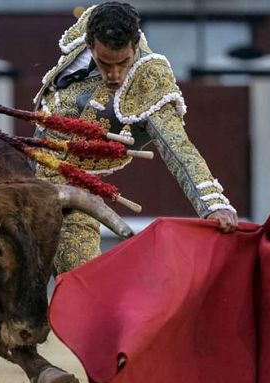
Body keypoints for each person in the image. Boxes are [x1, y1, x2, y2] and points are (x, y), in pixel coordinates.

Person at [33, 2, 238, 274]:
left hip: (72, 190)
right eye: (105, 63)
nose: (115, 74)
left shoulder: (149, 78)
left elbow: (177, 146)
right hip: (26, 165)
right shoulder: (89, 26)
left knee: (82, 278)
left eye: (123, 62)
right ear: (90, 45)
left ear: (136, 44)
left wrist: (213, 204)